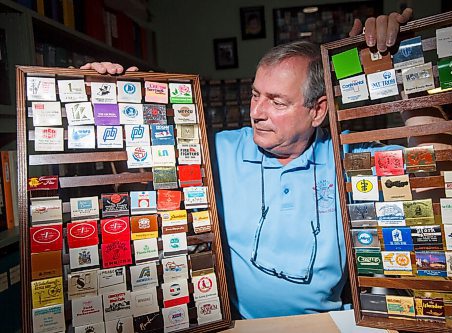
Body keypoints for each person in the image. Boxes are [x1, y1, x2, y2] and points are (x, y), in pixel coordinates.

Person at [84, 9, 433, 319]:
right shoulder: (213, 151)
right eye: (255, 95)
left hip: (320, 325)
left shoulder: (347, 160)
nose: (256, 113)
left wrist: (404, 61)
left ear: (318, 110)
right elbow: (129, 176)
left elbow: (435, 173)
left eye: (277, 102)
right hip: (233, 324)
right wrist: (103, 97)